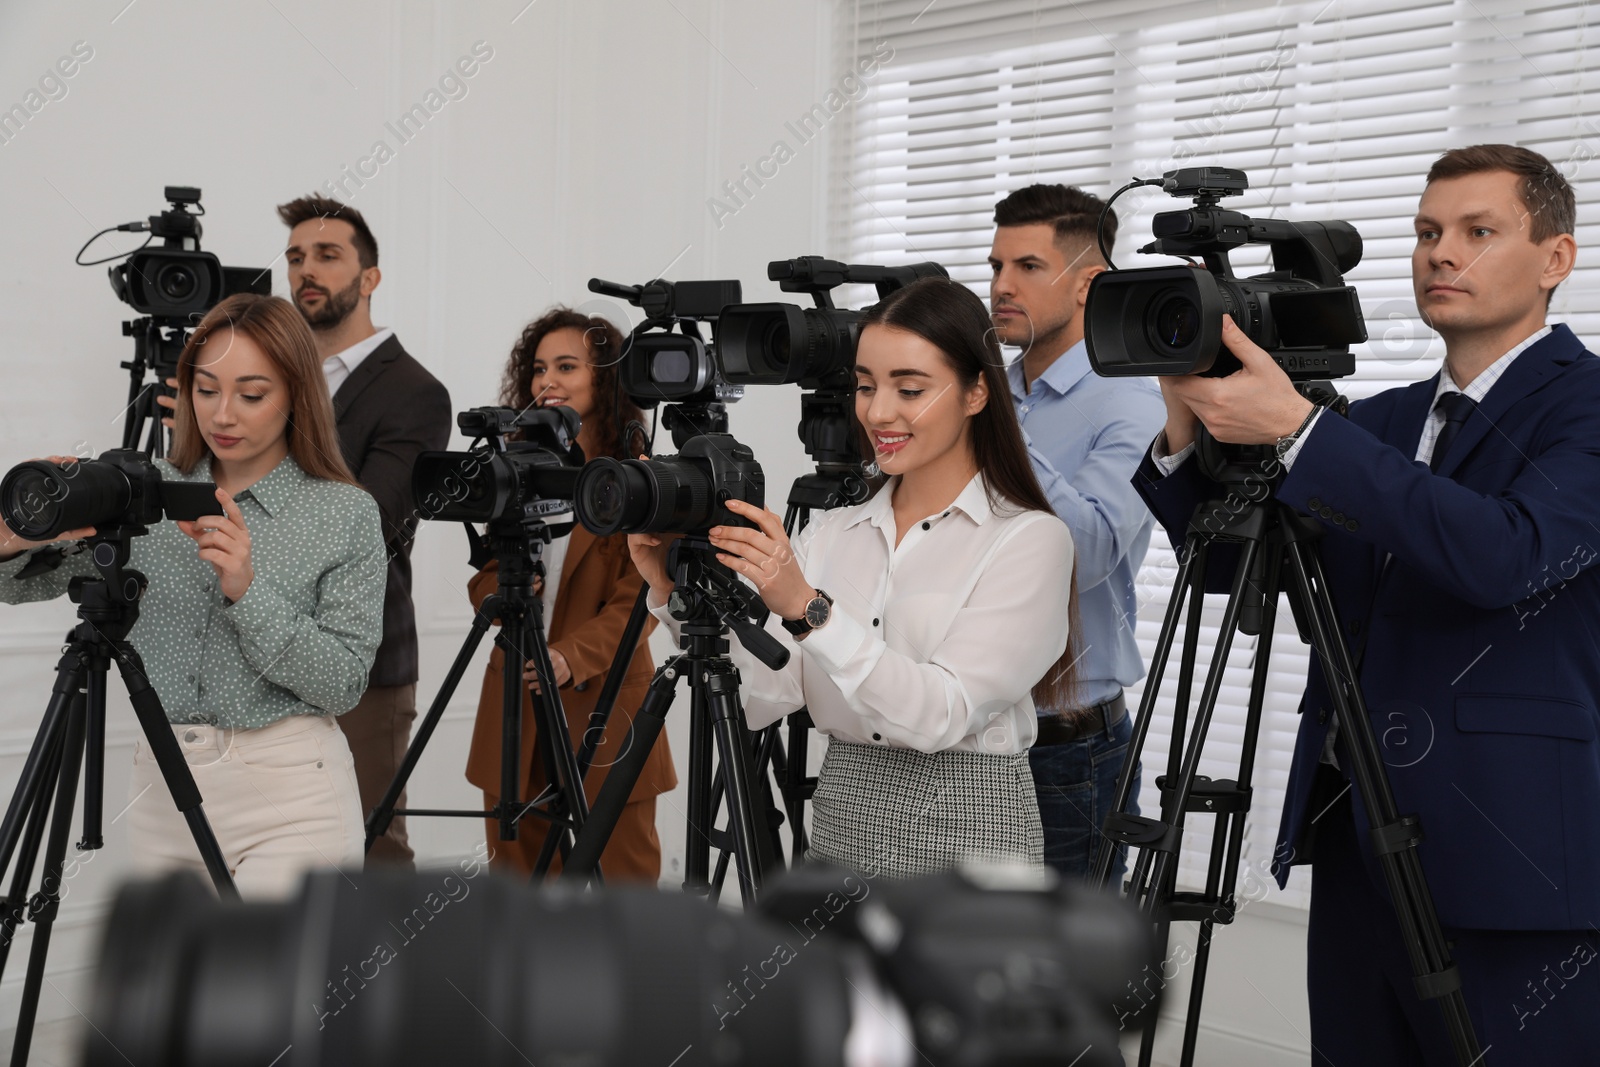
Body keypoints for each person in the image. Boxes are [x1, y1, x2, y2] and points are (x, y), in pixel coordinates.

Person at [1136, 144, 1599, 1064]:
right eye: (1428, 232)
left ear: (1556, 257)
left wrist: (1302, 431)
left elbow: (1507, 555)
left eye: (1477, 231)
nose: (1441, 252)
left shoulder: (1585, 407)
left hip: (1516, 865)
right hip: (1355, 843)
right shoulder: (1379, 422)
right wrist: (1188, 429)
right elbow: (1243, 572)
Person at [632, 277, 1077, 878]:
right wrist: (668, 589)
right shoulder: (833, 533)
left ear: (977, 392)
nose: (878, 411)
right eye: (866, 386)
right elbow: (764, 693)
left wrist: (809, 610)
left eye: (910, 388)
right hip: (843, 815)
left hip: (970, 824)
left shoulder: (1027, 540)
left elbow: (941, 714)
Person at [0, 293, 385, 900]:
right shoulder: (142, 492)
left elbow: (343, 683)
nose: (222, 414)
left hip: (292, 794)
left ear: (297, 395)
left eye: (251, 394)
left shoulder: (344, 512)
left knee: (268, 992)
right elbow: (21, 586)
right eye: (206, 389)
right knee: (175, 994)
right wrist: (10, 540)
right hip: (163, 787)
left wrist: (248, 591)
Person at [989, 184, 1165, 880]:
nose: (1001, 285)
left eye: (1027, 267)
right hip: (956, 732)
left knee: (1058, 977)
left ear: (1089, 283)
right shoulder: (980, 393)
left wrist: (996, 431)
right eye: (995, 265)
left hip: (1065, 752)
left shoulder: (1131, 404)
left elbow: (1086, 552)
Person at [465, 308, 676, 882]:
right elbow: (483, 571)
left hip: (604, 710)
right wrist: (504, 586)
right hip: (516, 710)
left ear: (605, 379)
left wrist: (569, 656)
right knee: (516, 895)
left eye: (566, 366)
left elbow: (642, 598)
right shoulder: (513, 466)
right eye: (537, 369)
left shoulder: (638, 476)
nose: (546, 382)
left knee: (621, 891)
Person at [277, 194, 452, 869]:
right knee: (275, 854)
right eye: (295, 257)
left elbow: (371, 523)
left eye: (326, 254)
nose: (305, 272)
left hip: (363, 658)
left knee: (371, 849)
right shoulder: (267, 384)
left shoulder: (414, 391)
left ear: (369, 277)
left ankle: (387, 980)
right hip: (259, 650)